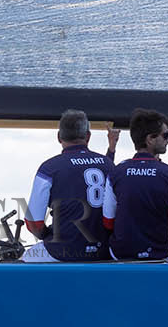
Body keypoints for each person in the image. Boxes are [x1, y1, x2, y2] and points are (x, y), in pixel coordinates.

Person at [21, 108, 119, 263]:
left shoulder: (49, 168)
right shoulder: (108, 164)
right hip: (104, 250)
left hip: (63, 250)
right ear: (88, 136)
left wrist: (47, 236)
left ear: (59, 137)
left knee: (22, 262)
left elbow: (34, 222)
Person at [102, 108, 168, 262]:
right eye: (165, 136)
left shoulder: (116, 173)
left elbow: (108, 222)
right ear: (150, 139)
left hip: (121, 254)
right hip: (160, 254)